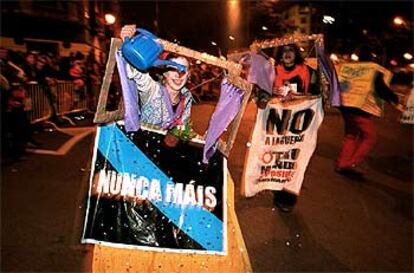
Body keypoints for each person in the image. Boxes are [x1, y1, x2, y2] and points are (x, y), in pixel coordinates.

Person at [335, 45, 400, 176]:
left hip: (345, 106)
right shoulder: (373, 69)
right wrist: (394, 98)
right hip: (359, 109)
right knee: (370, 137)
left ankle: (342, 163)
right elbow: (380, 88)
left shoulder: (350, 67)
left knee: (351, 135)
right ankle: (352, 163)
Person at [271, 43, 320, 212]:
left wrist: (300, 96)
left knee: (294, 161)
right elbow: (262, 95)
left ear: (296, 53)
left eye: (290, 50)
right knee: (278, 159)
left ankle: (288, 198)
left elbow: (316, 94)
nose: (287, 54)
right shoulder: (273, 71)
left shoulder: (309, 72)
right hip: (279, 125)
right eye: (283, 51)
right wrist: (272, 92)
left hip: (300, 125)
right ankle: (278, 191)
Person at [120, 24, 192, 128]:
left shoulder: (186, 96)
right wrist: (130, 44)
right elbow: (137, 73)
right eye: (172, 69)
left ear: (188, 74)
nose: (178, 75)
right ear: (164, 73)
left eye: (183, 70)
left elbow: (183, 127)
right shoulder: (152, 90)